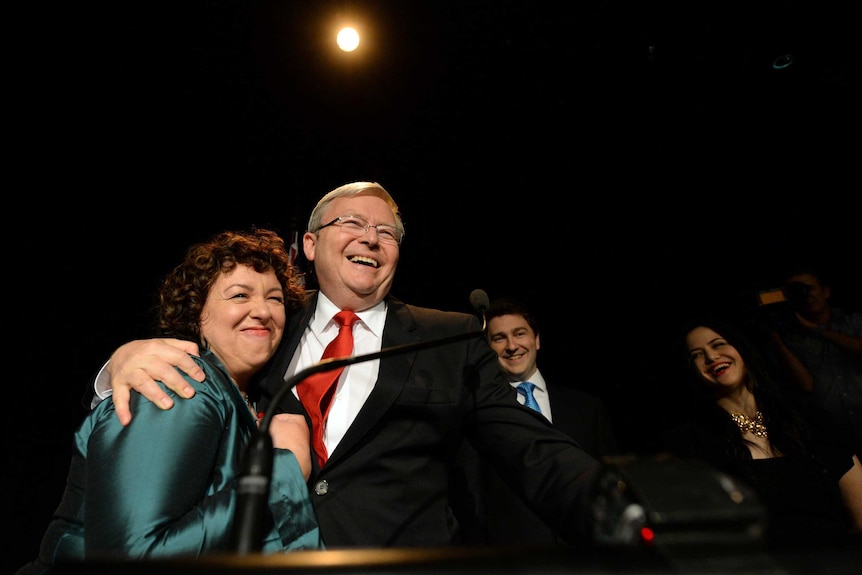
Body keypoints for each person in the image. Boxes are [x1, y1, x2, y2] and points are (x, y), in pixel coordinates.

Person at [86, 181, 601, 548]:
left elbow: (533, 449)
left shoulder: (451, 337)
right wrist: (118, 361)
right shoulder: (267, 324)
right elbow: (194, 368)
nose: (370, 237)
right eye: (351, 222)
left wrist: (624, 513)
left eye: (387, 231)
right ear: (309, 245)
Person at [17, 229, 324, 575]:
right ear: (197, 314)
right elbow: (132, 558)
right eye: (240, 295)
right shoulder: (179, 384)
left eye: (275, 299)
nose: (262, 311)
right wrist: (281, 470)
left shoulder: (233, 396)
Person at [660, 314, 862, 550]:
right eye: (697, 355)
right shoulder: (693, 441)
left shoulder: (804, 417)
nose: (711, 357)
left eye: (718, 344)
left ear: (741, 349)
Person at [452, 295, 621, 546]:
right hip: (516, 557)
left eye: (520, 334)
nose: (511, 346)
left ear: (537, 340)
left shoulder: (588, 409)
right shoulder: (476, 417)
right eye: (499, 338)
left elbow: (612, 482)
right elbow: (472, 501)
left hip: (585, 554)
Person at [763, 266, 862, 456]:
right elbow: (805, 385)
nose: (806, 295)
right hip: (835, 437)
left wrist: (816, 329)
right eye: (797, 291)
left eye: (810, 288)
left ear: (826, 291)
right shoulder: (791, 338)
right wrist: (775, 337)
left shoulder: (854, 322)